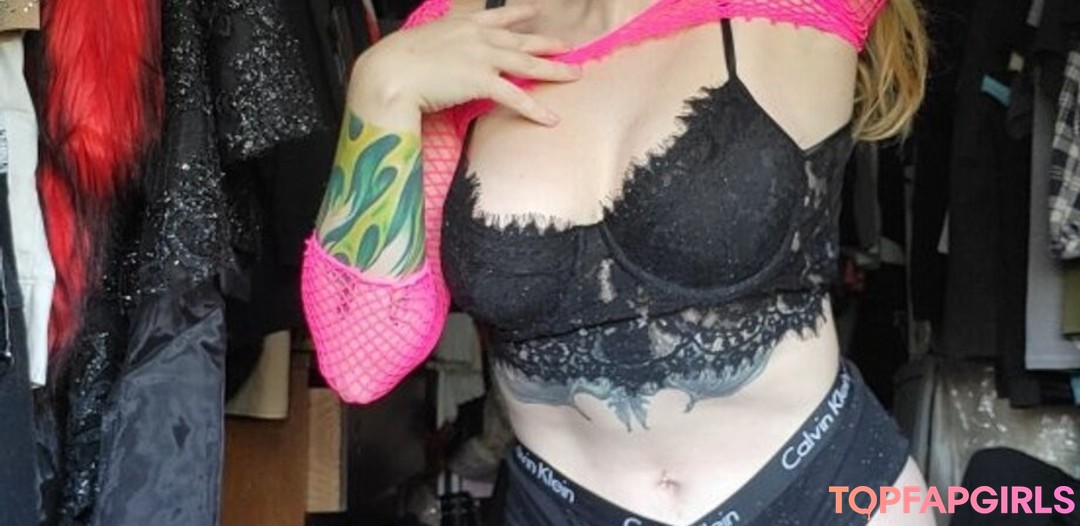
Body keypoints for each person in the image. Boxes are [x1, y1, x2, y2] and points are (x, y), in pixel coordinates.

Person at [301, 0, 932, 523]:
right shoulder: (460, 30)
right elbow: (360, 363)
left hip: (827, 492)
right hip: (558, 507)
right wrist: (380, 89)